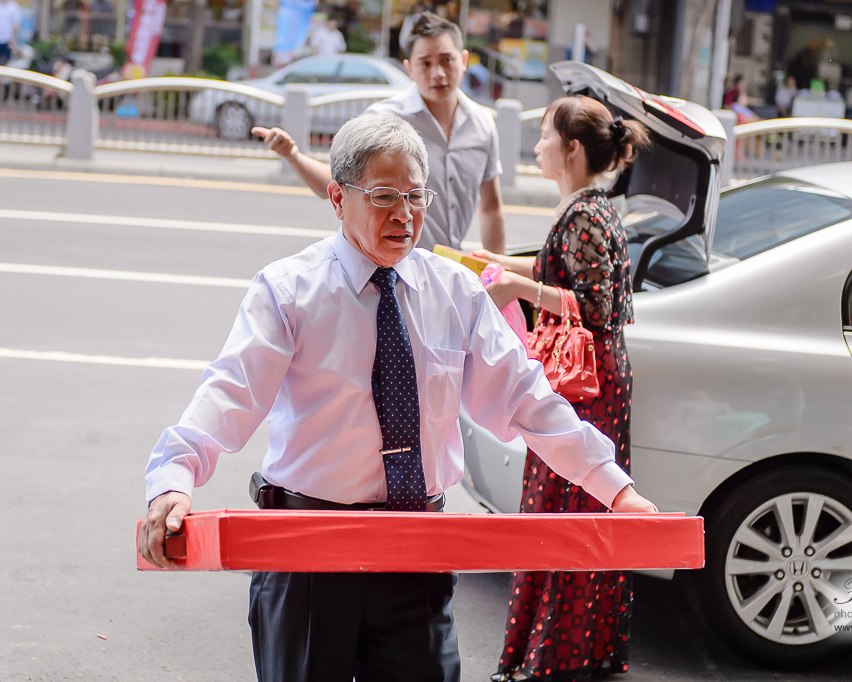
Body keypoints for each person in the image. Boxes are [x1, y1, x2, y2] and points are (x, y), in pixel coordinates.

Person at [137, 113, 658, 682]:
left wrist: (617, 491)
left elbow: (528, 401)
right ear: (337, 197)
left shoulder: (454, 291)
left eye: (415, 196)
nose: (405, 216)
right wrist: (174, 477)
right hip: (311, 553)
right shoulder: (289, 291)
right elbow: (229, 392)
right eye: (384, 196)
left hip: (418, 552)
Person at [472, 96, 650, 682]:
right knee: (575, 507)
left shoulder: (585, 217)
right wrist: (500, 264)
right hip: (594, 381)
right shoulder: (588, 211)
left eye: (547, 136)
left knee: (565, 509)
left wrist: (515, 291)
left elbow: (598, 307)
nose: (539, 146)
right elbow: (563, 275)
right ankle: (570, 650)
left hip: (586, 385)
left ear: (573, 150)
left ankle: (554, 656)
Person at [254, 13, 506, 254]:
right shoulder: (383, 119)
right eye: (425, 63)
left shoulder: (482, 123)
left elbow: (491, 207)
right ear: (409, 67)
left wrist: (499, 271)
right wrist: (293, 155)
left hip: (444, 274)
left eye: (446, 60)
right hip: (388, 270)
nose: (437, 73)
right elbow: (340, 186)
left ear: (463, 60)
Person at [0, 0, 21, 65]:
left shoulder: (14, 7)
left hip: (7, 40)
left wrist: (14, 40)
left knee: (4, 63)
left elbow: (16, 25)